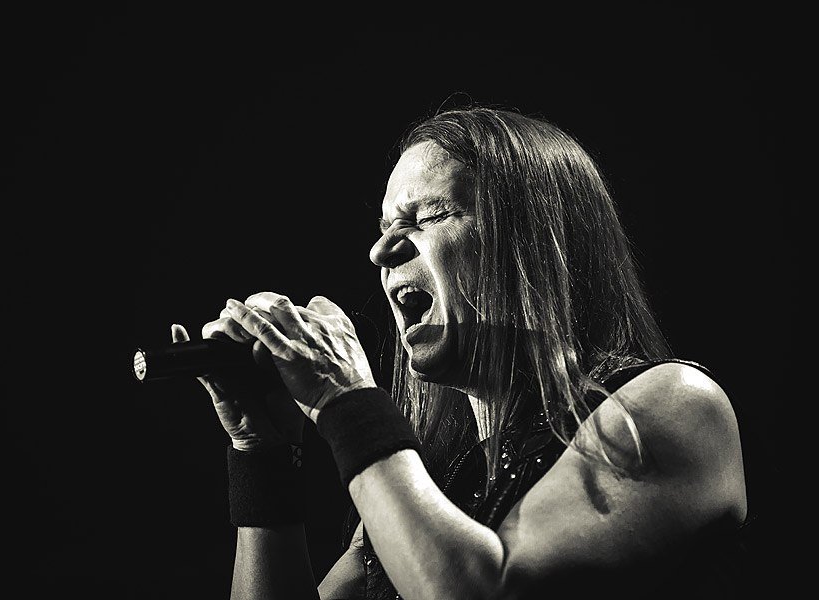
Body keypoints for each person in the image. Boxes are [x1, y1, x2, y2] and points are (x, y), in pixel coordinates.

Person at [170, 107, 757, 599]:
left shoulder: (675, 406)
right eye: (383, 225)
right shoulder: (430, 483)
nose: (381, 251)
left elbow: (484, 590)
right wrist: (264, 457)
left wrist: (346, 402)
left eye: (427, 216)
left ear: (533, 242)